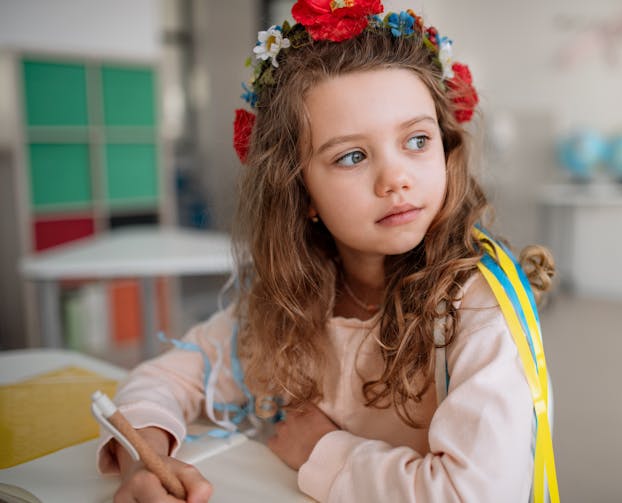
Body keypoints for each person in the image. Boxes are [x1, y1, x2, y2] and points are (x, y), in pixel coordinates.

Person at [96, 2, 558, 502]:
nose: (395, 178)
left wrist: (322, 449)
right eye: (352, 156)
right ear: (303, 195)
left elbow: (476, 495)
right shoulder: (290, 303)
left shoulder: (478, 307)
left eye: (417, 140)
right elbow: (165, 379)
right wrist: (146, 461)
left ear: (447, 152)